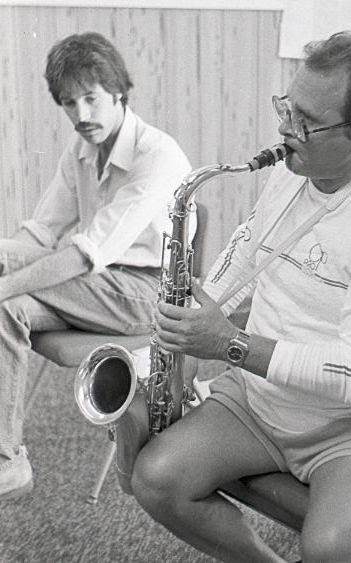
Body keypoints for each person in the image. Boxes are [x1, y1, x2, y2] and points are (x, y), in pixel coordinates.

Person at [130, 31, 351, 563]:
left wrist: (228, 344)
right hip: (261, 398)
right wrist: (189, 329)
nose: (285, 130)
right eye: (287, 108)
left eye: (306, 121)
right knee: (156, 479)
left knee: (333, 552)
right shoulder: (292, 169)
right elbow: (247, 259)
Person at [0, 32, 195, 500]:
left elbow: (85, 252)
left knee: (10, 295)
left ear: (118, 93)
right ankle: (8, 463)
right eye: (69, 103)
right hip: (98, 284)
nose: (81, 116)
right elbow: (42, 233)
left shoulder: (158, 154)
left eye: (91, 99)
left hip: (150, 294)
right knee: (9, 309)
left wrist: (4, 283)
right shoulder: (81, 150)